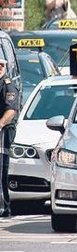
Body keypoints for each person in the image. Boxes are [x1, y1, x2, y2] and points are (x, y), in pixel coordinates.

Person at [0, 58, 20, 217]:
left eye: (1, 65)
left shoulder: (7, 85)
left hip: (3, 132)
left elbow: (11, 111)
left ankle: (2, 207)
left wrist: (0, 125)